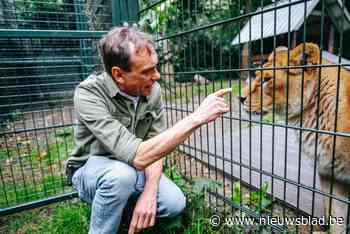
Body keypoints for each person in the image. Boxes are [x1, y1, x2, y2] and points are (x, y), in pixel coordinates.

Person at [65, 26, 231, 234]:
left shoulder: (152, 91)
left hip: (132, 169)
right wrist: (196, 118)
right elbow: (140, 156)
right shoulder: (89, 94)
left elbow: (155, 145)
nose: (157, 76)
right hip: (90, 171)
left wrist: (149, 194)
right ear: (118, 74)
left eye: (155, 67)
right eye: (146, 71)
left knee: (174, 203)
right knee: (120, 177)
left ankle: (123, 209)